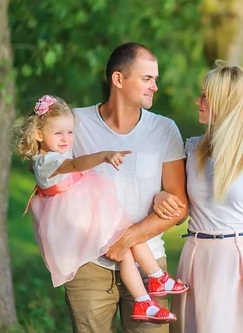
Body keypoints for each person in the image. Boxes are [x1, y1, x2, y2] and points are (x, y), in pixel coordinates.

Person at [16, 95, 188, 324]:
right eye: (58, 133)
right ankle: (156, 278)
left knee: (128, 245)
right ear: (39, 134)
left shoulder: (50, 153)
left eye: (69, 132)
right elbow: (75, 165)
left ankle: (146, 297)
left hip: (90, 207)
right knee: (128, 235)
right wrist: (104, 155)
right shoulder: (45, 161)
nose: (66, 139)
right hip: (84, 216)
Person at [158, 64, 243, 333]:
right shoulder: (191, 149)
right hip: (197, 262)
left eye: (205, 95)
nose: (198, 101)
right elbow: (178, 203)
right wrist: (161, 196)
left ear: (225, 101)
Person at [68, 43, 189, 333]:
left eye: (155, 79)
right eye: (147, 79)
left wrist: (126, 241)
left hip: (150, 268)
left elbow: (180, 208)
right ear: (119, 80)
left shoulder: (164, 129)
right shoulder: (75, 123)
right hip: (87, 266)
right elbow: (49, 175)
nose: (155, 87)